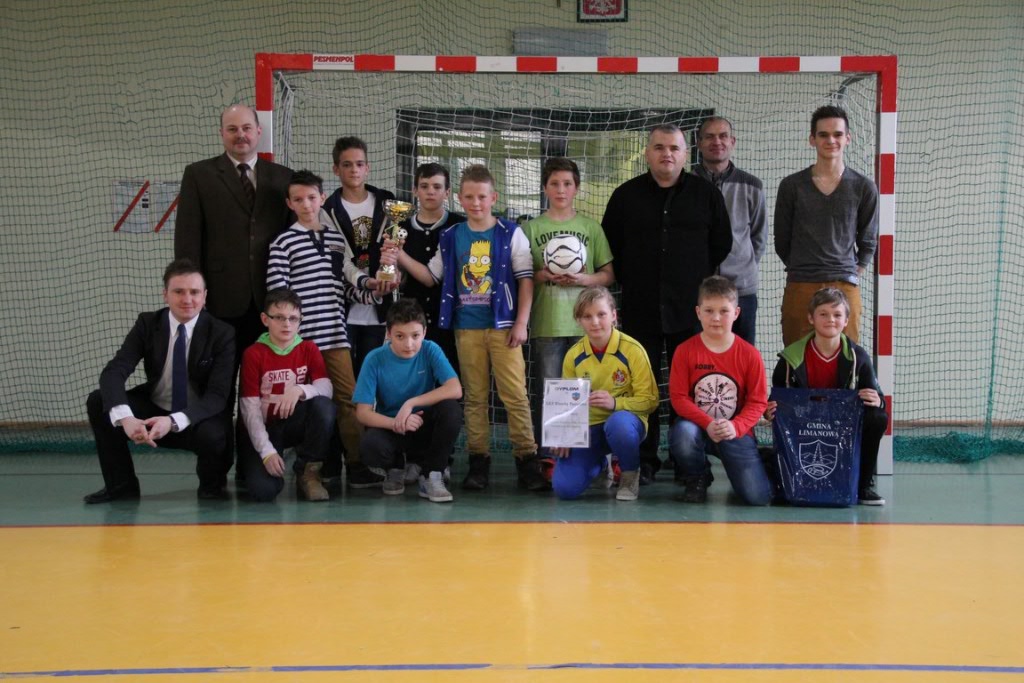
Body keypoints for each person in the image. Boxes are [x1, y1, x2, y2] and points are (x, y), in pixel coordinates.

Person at [398, 164, 547, 491]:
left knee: (515, 395)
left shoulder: (511, 233)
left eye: (481, 196)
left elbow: (525, 280)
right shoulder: (451, 236)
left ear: (493, 197)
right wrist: (399, 255)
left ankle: (527, 460)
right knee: (475, 397)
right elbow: (431, 276)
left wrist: (521, 322)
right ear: (460, 199)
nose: (475, 203)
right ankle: (479, 460)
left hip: (504, 329)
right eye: (469, 197)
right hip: (466, 329)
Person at [602, 124, 732, 484]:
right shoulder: (625, 196)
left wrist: (692, 277)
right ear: (647, 153)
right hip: (640, 306)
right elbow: (610, 246)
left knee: (686, 387)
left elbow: (721, 243)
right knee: (642, 387)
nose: (667, 154)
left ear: (685, 154)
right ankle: (644, 460)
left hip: (688, 309)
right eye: (659, 147)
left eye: (674, 148)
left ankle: (684, 459)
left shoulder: (706, 195)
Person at [174, 104, 293, 479]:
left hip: (268, 306)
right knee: (218, 391)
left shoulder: (282, 177)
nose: (240, 135)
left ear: (258, 132)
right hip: (219, 304)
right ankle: (212, 473)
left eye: (246, 128)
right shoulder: (198, 175)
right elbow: (187, 243)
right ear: (221, 134)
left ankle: (252, 468)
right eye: (231, 129)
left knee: (259, 392)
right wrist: (194, 301)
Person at [266, 170, 385, 489]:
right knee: (313, 406)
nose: (306, 204)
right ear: (289, 203)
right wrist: (289, 338)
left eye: (311, 197)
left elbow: (344, 287)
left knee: (350, 400)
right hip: (302, 344)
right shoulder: (282, 243)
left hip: (336, 337)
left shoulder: (335, 239)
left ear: (322, 198)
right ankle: (313, 468)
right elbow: (277, 296)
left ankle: (356, 465)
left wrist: (374, 291)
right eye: (298, 199)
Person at [83, 259, 234, 503]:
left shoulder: (222, 333)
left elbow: (217, 396)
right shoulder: (147, 323)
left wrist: (173, 421)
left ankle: (211, 488)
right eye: (178, 291)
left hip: (196, 416)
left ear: (205, 296)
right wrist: (126, 418)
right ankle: (120, 487)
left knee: (214, 434)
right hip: (153, 408)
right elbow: (114, 371)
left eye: (194, 292)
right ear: (165, 295)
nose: (187, 299)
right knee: (98, 401)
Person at [524, 157, 614, 457]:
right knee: (549, 392)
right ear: (545, 188)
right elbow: (521, 276)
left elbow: (608, 275)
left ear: (576, 188)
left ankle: (587, 455)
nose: (561, 190)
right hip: (547, 323)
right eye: (554, 184)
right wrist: (544, 275)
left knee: (586, 391)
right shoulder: (531, 229)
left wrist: (583, 279)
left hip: (587, 327)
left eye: (567, 184)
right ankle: (548, 456)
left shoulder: (591, 228)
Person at [765, 287, 887, 505]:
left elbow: (877, 396)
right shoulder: (790, 358)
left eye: (837, 315)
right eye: (823, 314)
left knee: (877, 417)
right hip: (805, 422)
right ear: (811, 318)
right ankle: (787, 480)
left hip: (842, 424)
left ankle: (863, 485)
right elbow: (777, 399)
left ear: (846, 321)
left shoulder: (858, 357)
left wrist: (879, 401)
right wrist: (769, 410)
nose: (831, 319)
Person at [775, 105, 879, 346]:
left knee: (846, 359)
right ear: (812, 139)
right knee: (796, 359)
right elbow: (782, 239)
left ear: (848, 138)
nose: (831, 140)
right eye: (823, 134)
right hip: (800, 283)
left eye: (837, 134)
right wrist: (805, 267)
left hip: (845, 285)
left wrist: (850, 270)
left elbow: (868, 240)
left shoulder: (863, 187)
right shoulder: (791, 186)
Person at [668, 276, 772, 506]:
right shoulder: (684, 351)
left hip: (734, 431)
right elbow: (679, 398)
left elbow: (757, 402)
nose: (716, 318)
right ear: (698, 312)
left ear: (736, 313)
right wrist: (708, 423)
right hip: (698, 427)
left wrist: (736, 426)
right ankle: (697, 476)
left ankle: (758, 460)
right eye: (709, 311)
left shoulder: (750, 354)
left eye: (724, 311)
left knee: (757, 497)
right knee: (682, 433)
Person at [551, 287, 657, 501]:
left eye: (601, 314)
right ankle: (600, 464)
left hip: (625, 424)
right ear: (578, 320)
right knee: (564, 489)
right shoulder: (573, 356)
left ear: (614, 315)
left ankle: (629, 475)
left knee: (618, 425)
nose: (595, 322)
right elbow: (566, 403)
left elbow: (651, 401)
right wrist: (563, 434)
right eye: (587, 316)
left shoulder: (633, 350)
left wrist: (615, 403)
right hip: (589, 429)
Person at [353, 299, 463, 503]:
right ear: (388, 334)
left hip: (423, 424)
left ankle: (431, 474)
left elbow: (455, 389)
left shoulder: (430, 349)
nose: (409, 344)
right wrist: (396, 423)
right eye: (400, 336)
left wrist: (410, 403)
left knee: (452, 410)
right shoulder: (374, 359)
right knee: (370, 445)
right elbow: (362, 412)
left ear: (424, 333)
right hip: (392, 426)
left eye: (415, 336)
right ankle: (395, 467)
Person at [238, 289, 336, 502]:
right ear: (265, 319)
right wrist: (267, 453)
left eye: (293, 318)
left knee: (324, 407)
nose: (287, 324)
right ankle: (260, 466)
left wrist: (300, 390)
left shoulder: (308, 348)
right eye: (279, 317)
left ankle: (307, 471)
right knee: (263, 491)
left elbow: (326, 388)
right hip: (265, 428)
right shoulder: (253, 354)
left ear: (300, 321)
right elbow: (249, 409)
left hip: (293, 424)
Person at [322, 136, 397, 374]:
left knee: (372, 375)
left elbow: (395, 247)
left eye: (359, 164)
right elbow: (339, 260)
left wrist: (394, 274)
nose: (354, 169)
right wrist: (365, 281)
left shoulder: (387, 202)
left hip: (380, 308)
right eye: (347, 164)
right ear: (336, 169)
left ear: (367, 168)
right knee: (345, 379)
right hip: (343, 308)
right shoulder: (328, 210)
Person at [692, 116, 767, 345]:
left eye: (723, 136)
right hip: (697, 288)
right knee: (699, 353)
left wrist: (741, 264)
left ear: (732, 141)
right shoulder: (686, 184)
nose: (717, 142)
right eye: (709, 136)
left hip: (742, 289)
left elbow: (758, 236)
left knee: (743, 352)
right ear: (698, 142)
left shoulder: (752, 185)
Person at [393, 162, 465, 370]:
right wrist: (392, 272)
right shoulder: (400, 227)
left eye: (437, 187)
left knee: (450, 375)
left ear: (447, 192)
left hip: (450, 318)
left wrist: (400, 254)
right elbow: (396, 272)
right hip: (412, 320)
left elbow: (433, 277)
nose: (430, 192)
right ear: (415, 190)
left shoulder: (459, 225)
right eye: (424, 186)